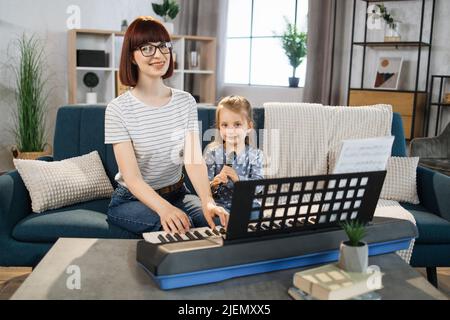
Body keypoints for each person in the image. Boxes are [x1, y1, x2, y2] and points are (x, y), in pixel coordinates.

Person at [104, 16, 228, 236]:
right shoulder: (118, 109)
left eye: (163, 46)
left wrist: (207, 201)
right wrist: (164, 209)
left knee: (219, 222)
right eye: (147, 48)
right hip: (131, 199)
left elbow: (192, 159)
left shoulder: (186, 101)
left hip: (177, 192)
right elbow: (132, 178)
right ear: (132, 57)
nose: (159, 55)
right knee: (176, 228)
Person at [203, 96, 264, 217]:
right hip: (220, 205)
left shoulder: (255, 155)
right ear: (219, 127)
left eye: (237, 125)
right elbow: (203, 187)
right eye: (225, 125)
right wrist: (214, 184)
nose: (230, 131)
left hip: (247, 204)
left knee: (253, 216)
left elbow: (258, 187)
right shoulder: (212, 153)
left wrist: (237, 179)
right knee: (212, 217)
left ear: (249, 127)